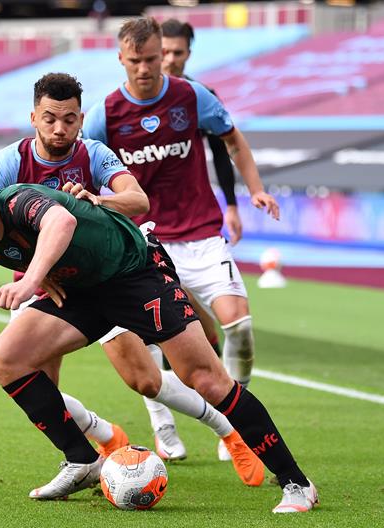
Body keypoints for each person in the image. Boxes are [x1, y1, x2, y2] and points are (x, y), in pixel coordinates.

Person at [0, 170, 318, 512]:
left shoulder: (19, 201)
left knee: (205, 379)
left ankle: (296, 483)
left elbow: (61, 222)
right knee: (5, 360)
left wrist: (31, 279)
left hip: (136, 274)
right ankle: (82, 460)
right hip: (81, 293)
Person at [0, 72, 264, 489]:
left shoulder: (93, 154)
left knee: (144, 379)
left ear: (81, 119)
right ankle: (103, 437)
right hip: (40, 285)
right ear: (34, 117)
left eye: (69, 119)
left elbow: (138, 201)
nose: (59, 129)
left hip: (101, 279)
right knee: (35, 386)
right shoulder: (7, 163)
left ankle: (228, 431)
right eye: (49, 119)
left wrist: (99, 199)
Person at [81, 16, 279, 467]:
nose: (147, 68)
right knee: (149, 337)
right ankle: (162, 425)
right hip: (146, 241)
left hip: (202, 234)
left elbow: (233, 141)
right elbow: (86, 169)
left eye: (153, 59)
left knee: (238, 327)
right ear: (121, 59)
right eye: (137, 61)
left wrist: (254, 190)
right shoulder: (104, 114)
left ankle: (236, 418)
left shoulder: (191, 96)